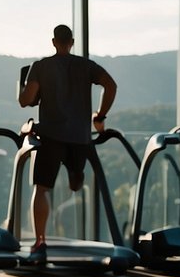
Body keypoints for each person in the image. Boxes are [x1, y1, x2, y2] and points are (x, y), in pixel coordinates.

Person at [17, 24, 117, 264]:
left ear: (53, 42)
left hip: (50, 135)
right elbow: (111, 85)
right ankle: (75, 174)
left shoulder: (40, 66)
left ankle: (40, 242)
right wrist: (100, 115)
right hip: (80, 137)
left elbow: (26, 100)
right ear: (72, 42)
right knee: (75, 182)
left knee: (42, 188)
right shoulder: (86, 66)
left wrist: (22, 89)